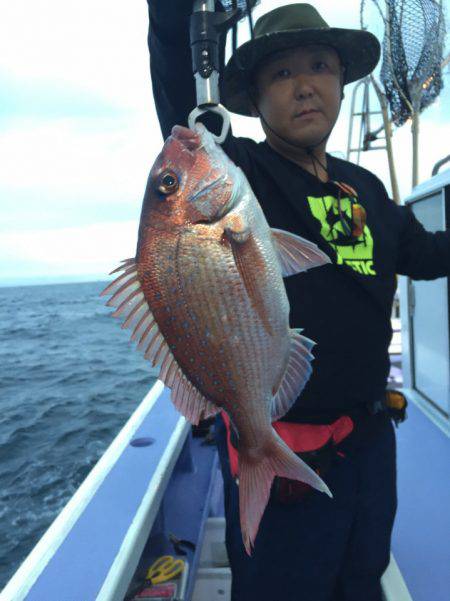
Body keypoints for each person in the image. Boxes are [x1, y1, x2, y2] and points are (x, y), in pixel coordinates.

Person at [147, 3, 450, 600]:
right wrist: (172, 17)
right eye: (282, 74)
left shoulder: (365, 188)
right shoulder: (242, 175)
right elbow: (179, 97)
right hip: (283, 450)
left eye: (320, 66)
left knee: (362, 579)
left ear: (341, 81)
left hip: (370, 444)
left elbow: (426, 254)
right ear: (254, 100)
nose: (306, 85)